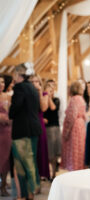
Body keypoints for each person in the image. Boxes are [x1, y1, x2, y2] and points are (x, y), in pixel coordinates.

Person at [9, 63, 42, 200]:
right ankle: (30, 192)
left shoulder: (20, 88)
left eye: (15, 75)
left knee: (22, 164)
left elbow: (15, 107)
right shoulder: (33, 88)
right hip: (33, 129)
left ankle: (24, 194)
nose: (14, 78)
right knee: (31, 161)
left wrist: (10, 112)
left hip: (22, 130)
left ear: (18, 75)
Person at [61, 81, 87, 171]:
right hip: (80, 125)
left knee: (73, 149)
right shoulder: (81, 99)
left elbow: (71, 116)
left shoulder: (74, 99)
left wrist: (66, 132)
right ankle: (79, 168)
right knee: (79, 148)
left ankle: (73, 169)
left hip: (74, 126)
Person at [30, 75, 50, 182]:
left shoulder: (44, 94)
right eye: (32, 82)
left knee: (40, 150)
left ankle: (39, 178)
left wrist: (39, 92)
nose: (34, 83)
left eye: (36, 81)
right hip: (29, 124)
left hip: (39, 123)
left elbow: (43, 107)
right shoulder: (27, 94)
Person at [43, 81, 61, 180]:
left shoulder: (56, 100)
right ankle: (46, 173)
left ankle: (53, 173)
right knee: (46, 153)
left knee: (53, 154)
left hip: (53, 128)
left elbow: (53, 107)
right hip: (44, 128)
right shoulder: (42, 100)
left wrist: (48, 97)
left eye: (52, 90)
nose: (50, 92)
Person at [0, 74, 11, 196]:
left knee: (5, 160)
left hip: (7, 132)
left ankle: (3, 186)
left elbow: (12, 112)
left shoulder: (8, 96)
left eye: (2, 82)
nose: (1, 84)